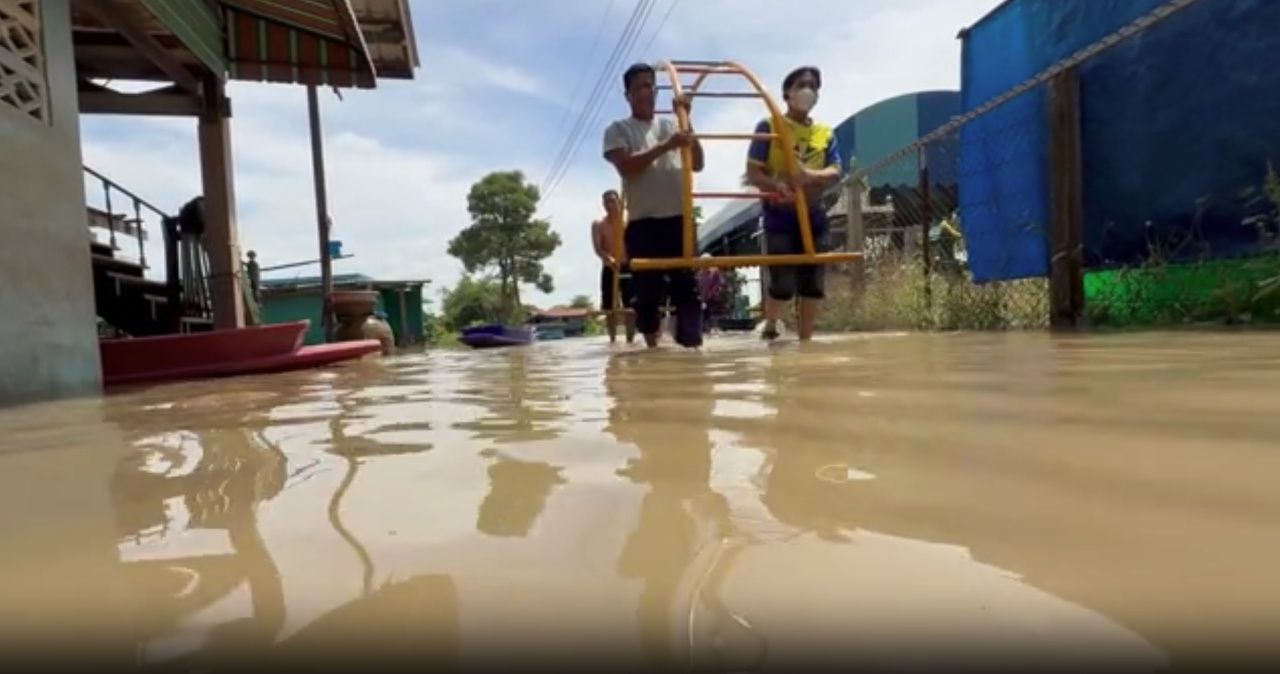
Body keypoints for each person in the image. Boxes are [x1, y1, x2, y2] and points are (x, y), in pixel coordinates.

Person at [602, 62, 706, 349]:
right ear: (628, 95)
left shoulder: (672, 125)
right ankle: (652, 352)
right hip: (644, 224)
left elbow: (697, 163)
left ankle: (692, 351)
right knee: (648, 296)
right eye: (640, 86)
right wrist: (667, 145)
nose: (647, 91)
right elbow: (627, 167)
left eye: (651, 85)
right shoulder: (619, 129)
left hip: (679, 221)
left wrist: (686, 120)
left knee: (689, 290)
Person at [745, 66, 843, 341]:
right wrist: (777, 186)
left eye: (814, 86)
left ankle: (806, 341)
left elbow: (836, 170)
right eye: (802, 85)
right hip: (779, 215)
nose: (808, 91)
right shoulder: (769, 126)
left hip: (814, 214)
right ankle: (772, 323)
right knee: (783, 282)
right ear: (787, 93)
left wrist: (807, 176)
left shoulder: (825, 133)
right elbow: (753, 173)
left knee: (813, 283)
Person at [591, 189, 636, 344]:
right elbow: (598, 248)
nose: (610, 204)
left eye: (613, 200)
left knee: (631, 306)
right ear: (603, 205)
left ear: (619, 202)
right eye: (607, 201)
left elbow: (635, 246)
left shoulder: (627, 223)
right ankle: (612, 340)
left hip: (627, 267)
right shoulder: (599, 224)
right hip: (609, 268)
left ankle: (630, 340)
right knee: (609, 307)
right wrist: (608, 258)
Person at [695, 254, 725, 334]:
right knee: (704, 313)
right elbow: (698, 286)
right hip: (703, 298)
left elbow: (719, 284)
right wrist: (701, 297)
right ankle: (705, 328)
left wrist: (711, 294)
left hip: (712, 297)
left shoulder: (715, 272)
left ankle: (713, 327)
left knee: (713, 312)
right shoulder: (699, 274)